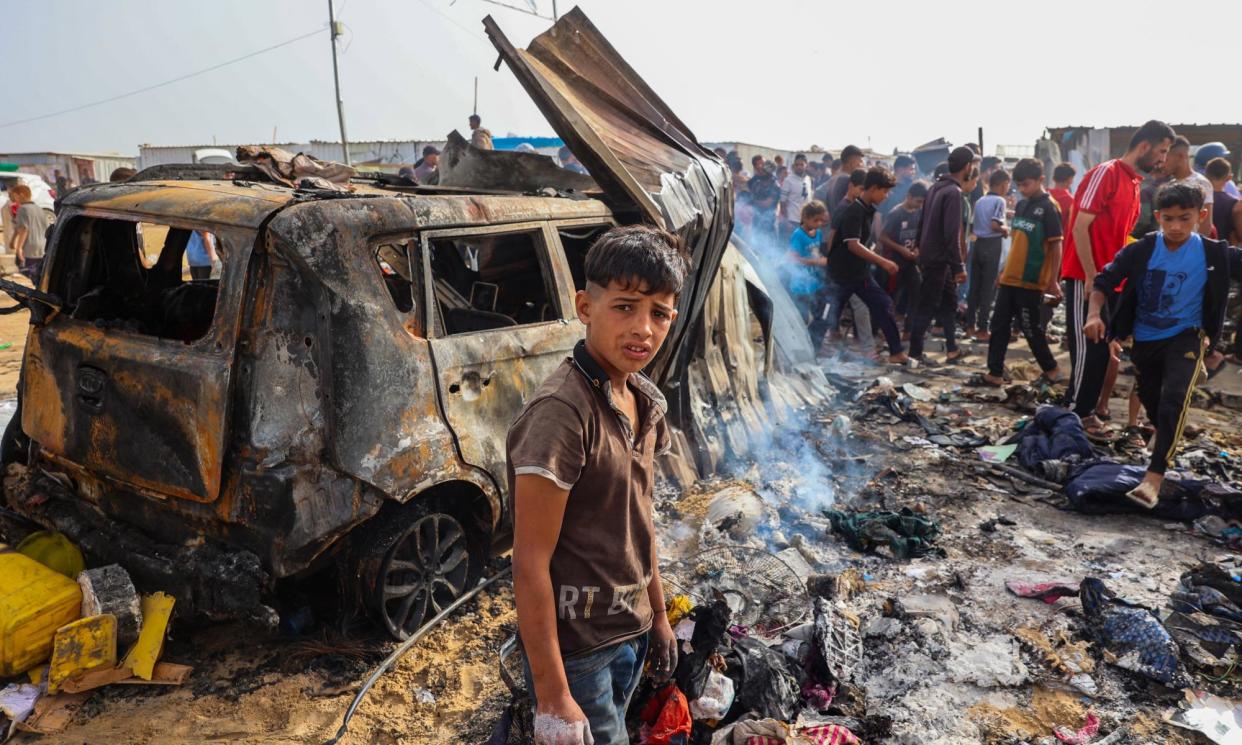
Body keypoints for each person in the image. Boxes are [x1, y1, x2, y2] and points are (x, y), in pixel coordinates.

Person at [508, 225, 683, 745]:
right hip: (579, 649)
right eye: (625, 307)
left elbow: (640, 519)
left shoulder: (644, 401)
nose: (643, 330)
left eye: (659, 314)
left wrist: (657, 613)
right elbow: (529, 561)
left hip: (630, 628)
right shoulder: (562, 414)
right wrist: (553, 695)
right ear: (585, 307)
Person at [1083, 183, 1241, 508]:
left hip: (1187, 335)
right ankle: (1165, 435)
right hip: (1144, 339)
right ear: (1157, 217)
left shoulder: (1214, 253)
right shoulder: (1142, 250)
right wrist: (1095, 314)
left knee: (1174, 399)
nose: (1176, 227)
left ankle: (1154, 475)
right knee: (1155, 407)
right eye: (1168, 219)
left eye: (1185, 218)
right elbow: (1103, 282)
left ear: (1202, 215)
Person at [1062, 120, 1175, 438]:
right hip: (1083, 276)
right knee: (1089, 348)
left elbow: (1119, 238)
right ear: (1144, 146)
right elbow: (1080, 227)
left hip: (1108, 283)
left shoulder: (1135, 184)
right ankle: (1077, 414)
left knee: (1102, 352)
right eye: (1162, 151)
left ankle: (1081, 413)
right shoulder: (1107, 173)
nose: (1163, 160)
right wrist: (1088, 276)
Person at [981, 159, 1063, 386]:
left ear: (1040, 180)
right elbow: (1016, 241)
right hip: (1010, 278)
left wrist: (1054, 281)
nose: (1023, 189)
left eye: (1027, 184)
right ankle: (995, 373)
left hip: (1031, 280)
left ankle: (1052, 369)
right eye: (1019, 185)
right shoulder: (1021, 205)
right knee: (998, 325)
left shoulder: (1049, 207)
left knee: (1031, 329)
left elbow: (1056, 245)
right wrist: (1004, 270)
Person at [824, 167, 907, 363]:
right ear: (873, 188)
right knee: (826, 316)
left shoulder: (868, 211)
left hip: (859, 275)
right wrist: (883, 261)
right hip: (841, 275)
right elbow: (853, 245)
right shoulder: (854, 210)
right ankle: (808, 352)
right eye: (884, 191)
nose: (886, 196)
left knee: (884, 304)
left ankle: (896, 353)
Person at [909, 146, 975, 364]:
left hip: (933, 257)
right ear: (967, 167)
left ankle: (952, 350)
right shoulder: (953, 193)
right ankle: (915, 354)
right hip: (940, 259)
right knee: (927, 306)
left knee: (948, 303)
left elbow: (922, 221)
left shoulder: (935, 188)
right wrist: (959, 267)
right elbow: (951, 233)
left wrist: (918, 245)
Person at [964, 168, 1011, 340]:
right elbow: (994, 225)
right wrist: (1005, 229)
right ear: (1003, 184)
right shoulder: (1000, 200)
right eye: (1008, 185)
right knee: (988, 288)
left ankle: (970, 326)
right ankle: (983, 329)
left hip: (977, 245)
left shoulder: (980, 201)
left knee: (974, 287)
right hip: (992, 244)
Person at [877, 180, 928, 333]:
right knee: (891, 297)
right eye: (918, 201)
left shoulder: (919, 212)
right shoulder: (896, 213)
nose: (920, 205)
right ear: (909, 196)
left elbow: (920, 234)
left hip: (911, 261)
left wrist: (917, 248)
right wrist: (901, 250)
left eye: (922, 202)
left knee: (917, 292)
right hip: (895, 261)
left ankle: (909, 330)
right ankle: (884, 330)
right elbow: (883, 237)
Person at [785, 201, 830, 344]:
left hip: (814, 282)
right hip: (800, 284)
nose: (818, 223)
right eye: (815, 220)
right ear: (805, 217)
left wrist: (820, 259)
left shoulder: (818, 233)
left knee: (819, 315)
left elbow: (814, 253)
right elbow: (793, 258)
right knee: (801, 318)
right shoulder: (798, 235)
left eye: (821, 220)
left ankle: (811, 344)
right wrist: (816, 262)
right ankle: (795, 345)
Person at [1163, 137, 1214, 235]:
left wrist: (1195, 248)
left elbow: (1206, 225)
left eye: (1166, 159)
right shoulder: (1170, 184)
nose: (1162, 163)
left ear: (1181, 156)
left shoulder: (1200, 183)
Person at [7, 185, 49, 284]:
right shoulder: (39, 209)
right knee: (39, 273)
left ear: (21, 195)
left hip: (30, 248)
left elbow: (23, 229)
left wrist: (19, 248)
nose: (13, 199)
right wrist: (13, 240)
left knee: (27, 270)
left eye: (14, 196)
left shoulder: (22, 209)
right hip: (42, 247)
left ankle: (38, 293)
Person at [778, 154, 813, 244]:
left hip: (805, 221)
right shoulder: (788, 180)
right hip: (792, 221)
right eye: (797, 165)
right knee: (790, 248)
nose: (799, 167)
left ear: (806, 165)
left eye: (801, 164)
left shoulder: (808, 179)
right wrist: (787, 221)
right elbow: (783, 203)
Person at [1206, 157, 1242, 244]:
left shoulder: (1197, 198)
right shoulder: (1235, 203)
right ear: (1229, 177)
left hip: (1199, 249)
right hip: (1224, 252)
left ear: (1206, 174)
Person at [827, 145, 865, 213]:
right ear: (851, 162)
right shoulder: (847, 180)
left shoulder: (833, 179)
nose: (861, 165)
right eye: (859, 161)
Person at [1049, 163, 1076, 236]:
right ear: (1070, 180)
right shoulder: (1071, 201)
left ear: (1054, 178)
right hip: (1061, 244)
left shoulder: (1044, 195)